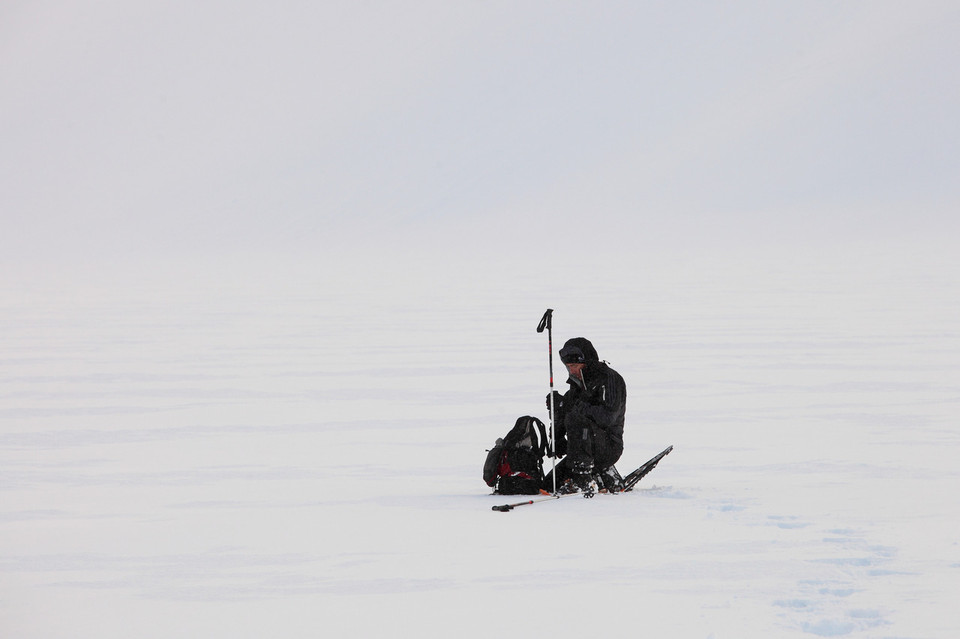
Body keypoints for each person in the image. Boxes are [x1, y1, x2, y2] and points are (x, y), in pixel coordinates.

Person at [545, 337, 627, 493]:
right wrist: (558, 414)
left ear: (587, 362)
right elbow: (568, 417)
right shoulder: (577, 385)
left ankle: (584, 480)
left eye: (575, 366)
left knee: (577, 419)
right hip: (581, 450)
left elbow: (608, 417)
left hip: (609, 445)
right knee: (549, 485)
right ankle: (602, 475)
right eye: (568, 367)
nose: (572, 371)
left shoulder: (610, 379)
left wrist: (576, 408)